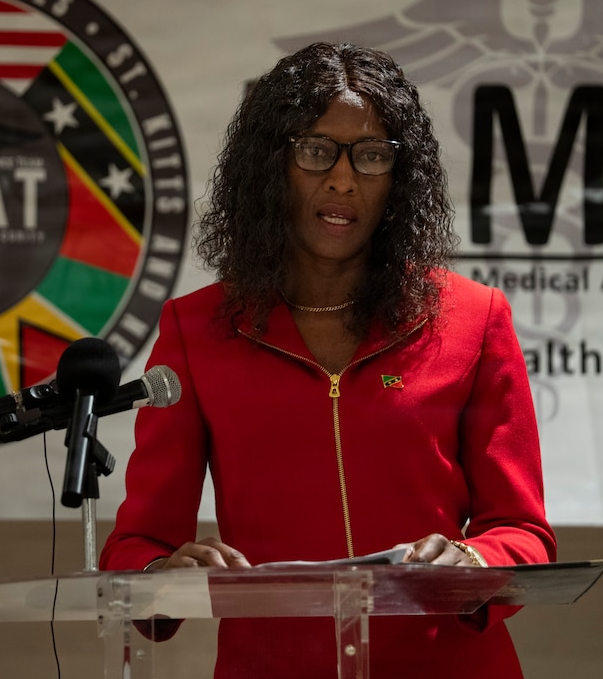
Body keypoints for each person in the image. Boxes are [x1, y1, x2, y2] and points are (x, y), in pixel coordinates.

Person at [99, 42, 556, 678]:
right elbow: (135, 543)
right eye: (316, 151)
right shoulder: (198, 332)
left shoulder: (473, 320)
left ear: (400, 179)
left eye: (371, 156)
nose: (343, 178)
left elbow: (523, 531)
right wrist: (162, 572)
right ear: (271, 166)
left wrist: (472, 563)